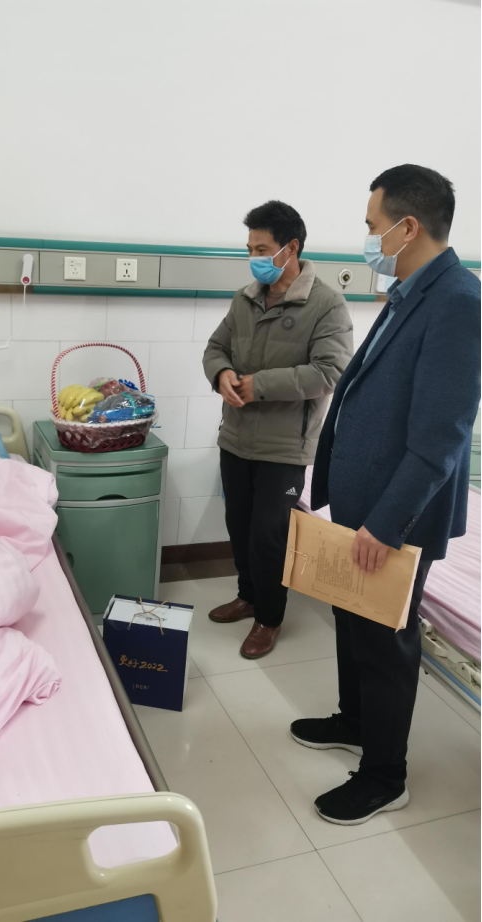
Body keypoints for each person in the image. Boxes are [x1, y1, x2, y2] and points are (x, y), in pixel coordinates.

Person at [291, 164, 481, 825]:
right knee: (352, 619)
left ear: (408, 227)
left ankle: (384, 774)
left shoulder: (458, 301)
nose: (368, 238)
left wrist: (387, 522)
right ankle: (355, 720)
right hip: (361, 503)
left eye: (373, 226)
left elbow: (441, 437)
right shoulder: (410, 291)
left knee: (385, 637)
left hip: (394, 515)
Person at [202, 201, 353, 658]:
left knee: (269, 536)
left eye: (262, 249)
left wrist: (258, 385)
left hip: (285, 447)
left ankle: (269, 617)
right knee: (239, 525)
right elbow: (215, 347)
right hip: (236, 438)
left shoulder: (326, 304)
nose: (254, 258)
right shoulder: (245, 299)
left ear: (292, 248)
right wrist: (221, 373)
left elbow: (329, 372)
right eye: (250, 249)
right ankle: (247, 596)